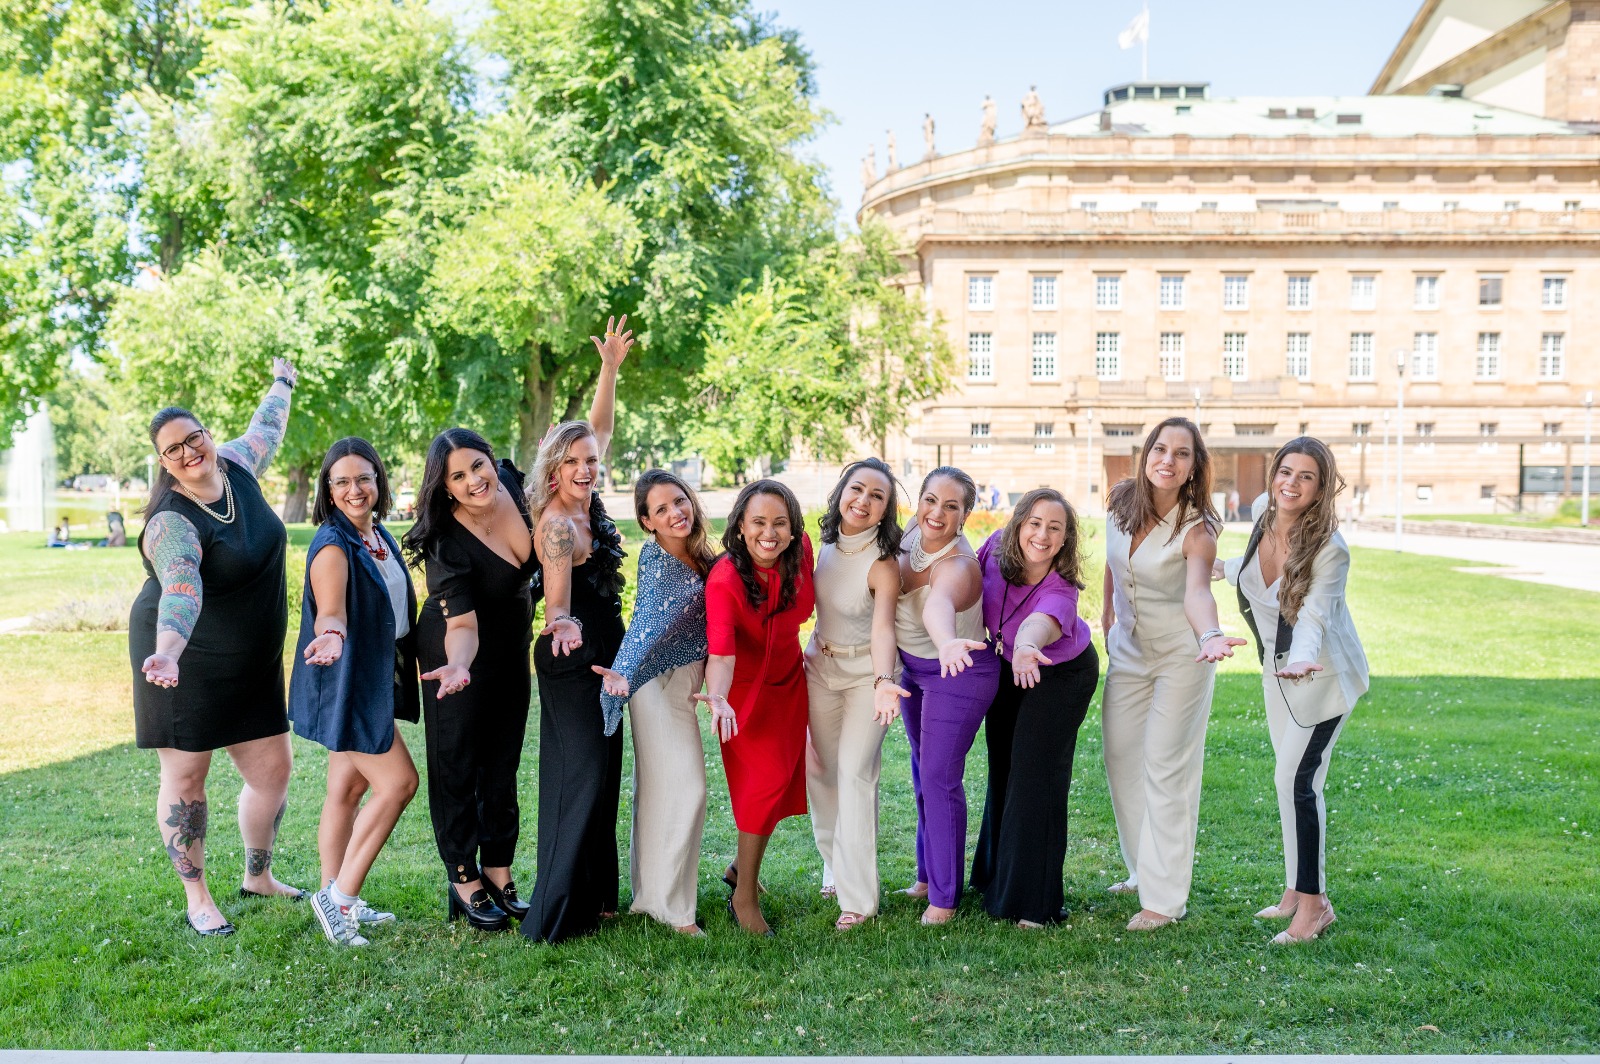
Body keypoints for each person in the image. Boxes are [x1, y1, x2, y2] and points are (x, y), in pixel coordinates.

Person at [129, 357, 305, 937]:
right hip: (183, 660)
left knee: (273, 770)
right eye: (173, 449)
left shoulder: (235, 464)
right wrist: (168, 651)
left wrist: (282, 382)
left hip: (250, 660)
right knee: (187, 779)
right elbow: (182, 586)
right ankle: (197, 897)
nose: (189, 452)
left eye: (193, 437)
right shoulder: (171, 523)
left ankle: (259, 876)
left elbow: (266, 429)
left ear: (206, 434)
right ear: (163, 463)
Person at [1216, 438, 1368, 945]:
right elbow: (1256, 571)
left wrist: (1303, 657)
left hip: (1321, 676)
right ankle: (1293, 890)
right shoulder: (1264, 511)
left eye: (1306, 476)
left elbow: (1314, 616)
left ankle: (1315, 905)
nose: (1291, 484)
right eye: (1285, 471)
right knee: (1288, 782)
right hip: (1275, 673)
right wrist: (1217, 568)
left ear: (1321, 488)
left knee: (1297, 782)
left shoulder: (1330, 549)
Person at [1101, 416, 1247, 932]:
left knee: (1166, 766)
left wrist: (1210, 635)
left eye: (1182, 454)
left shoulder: (1197, 529)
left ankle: (1164, 899)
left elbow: (1197, 593)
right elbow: (1113, 562)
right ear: (1146, 454)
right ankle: (1143, 869)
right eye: (1160, 449)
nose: (1168, 460)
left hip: (1183, 656)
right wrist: (1106, 615)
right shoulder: (1121, 502)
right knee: (1121, 758)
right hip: (1128, 653)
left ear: (1193, 467)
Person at [521, 316, 633, 944]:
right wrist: (560, 623)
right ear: (554, 472)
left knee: (606, 769)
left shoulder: (588, 500)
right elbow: (557, 600)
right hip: (573, 654)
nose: (587, 468)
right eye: (573, 462)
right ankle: (556, 913)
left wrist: (609, 369)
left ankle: (596, 900)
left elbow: (602, 427)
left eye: (590, 460)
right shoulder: (559, 524)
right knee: (582, 772)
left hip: (606, 649)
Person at [401, 427, 537, 933]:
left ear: (491, 459)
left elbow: (593, 441)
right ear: (446, 487)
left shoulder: (514, 486)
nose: (474, 480)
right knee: (457, 763)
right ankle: (462, 876)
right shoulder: (446, 541)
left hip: (511, 649)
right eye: (458, 476)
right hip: (453, 652)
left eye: (478, 465)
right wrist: (459, 666)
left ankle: (499, 869)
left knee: (502, 763)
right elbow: (461, 626)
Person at [289, 437, 421, 947]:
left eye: (364, 478)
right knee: (399, 783)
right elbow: (331, 611)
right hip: (346, 681)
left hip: (368, 676)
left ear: (378, 481)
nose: (354, 489)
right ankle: (340, 899)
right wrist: (331, 634)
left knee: (346, 790)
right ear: (328, 490)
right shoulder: (333, 545)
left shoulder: (376, 534)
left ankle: (332, 889)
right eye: (341, 481)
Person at [592, 470, 717, 936]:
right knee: (688, 790)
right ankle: (675, 910)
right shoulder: (658, 560)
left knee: (660, 791)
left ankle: (649, 897)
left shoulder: (703, 555)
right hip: (653, 683)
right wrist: (624, 673)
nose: (675, 513)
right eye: (661, 509)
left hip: (686, 680)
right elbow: (646, 623)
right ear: (647, 521)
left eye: (679, 501)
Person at [969, 488, 1099, 928]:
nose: (1042, 535)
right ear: (1018, 524)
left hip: (1060, 673)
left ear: (1065, 539)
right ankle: (996, 878)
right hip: (1009, 667)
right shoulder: (994, 548)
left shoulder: (1061, 586)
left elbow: (1041, 623)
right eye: (1035, 524)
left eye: (1054, 528)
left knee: (1034, 773)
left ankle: (1034, 903)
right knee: (1003, 765)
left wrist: (1026, 645)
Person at [695, 480, 815, 936]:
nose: (770, 533)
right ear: (741, 527)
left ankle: (738, 868)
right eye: (759, 522)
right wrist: (719, 698)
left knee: (779, 782)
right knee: (760, 789)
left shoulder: (800, 550)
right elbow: (722, 655)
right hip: (742, 694)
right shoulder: (725, 579)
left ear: (793, 527)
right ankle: (743, 897)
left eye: (780, 523)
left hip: (789, 683)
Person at [805, 458, 908, 931]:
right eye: (857, 489)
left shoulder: (883, 564)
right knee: (821, 771)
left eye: (877, 496)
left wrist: (884, 681)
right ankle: (834, 864)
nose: (863, 501)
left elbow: (884, 628)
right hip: (820, 667)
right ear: (841, 491)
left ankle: (859, 899)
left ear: (886, 509)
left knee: (854, 773)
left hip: (869, 675)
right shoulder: (824, 544)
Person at [894, 466, 1000, 926]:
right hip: (914, 670)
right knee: (923, 772)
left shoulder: (959, 565)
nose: (937, 512)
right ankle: (926, 877)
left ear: (966, 515)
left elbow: (937, 605)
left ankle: (945, 899)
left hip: (958, 670)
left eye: (951, 506)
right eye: (931, 500)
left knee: (939, 777)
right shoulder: (910, 534)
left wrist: (945, 642)